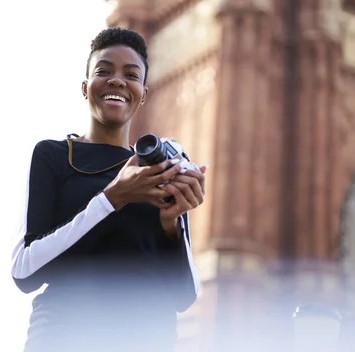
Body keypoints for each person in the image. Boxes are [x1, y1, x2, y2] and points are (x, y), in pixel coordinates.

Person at [10, 27, 207, 352]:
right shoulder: (54, 155)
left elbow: (184, 296)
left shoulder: (157, 170)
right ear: (86, 87)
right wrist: (112, 199)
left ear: (143, 93)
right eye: (104, 71)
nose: (117, 80)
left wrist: (171, 223)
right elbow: (24, 271)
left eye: (131, 74)